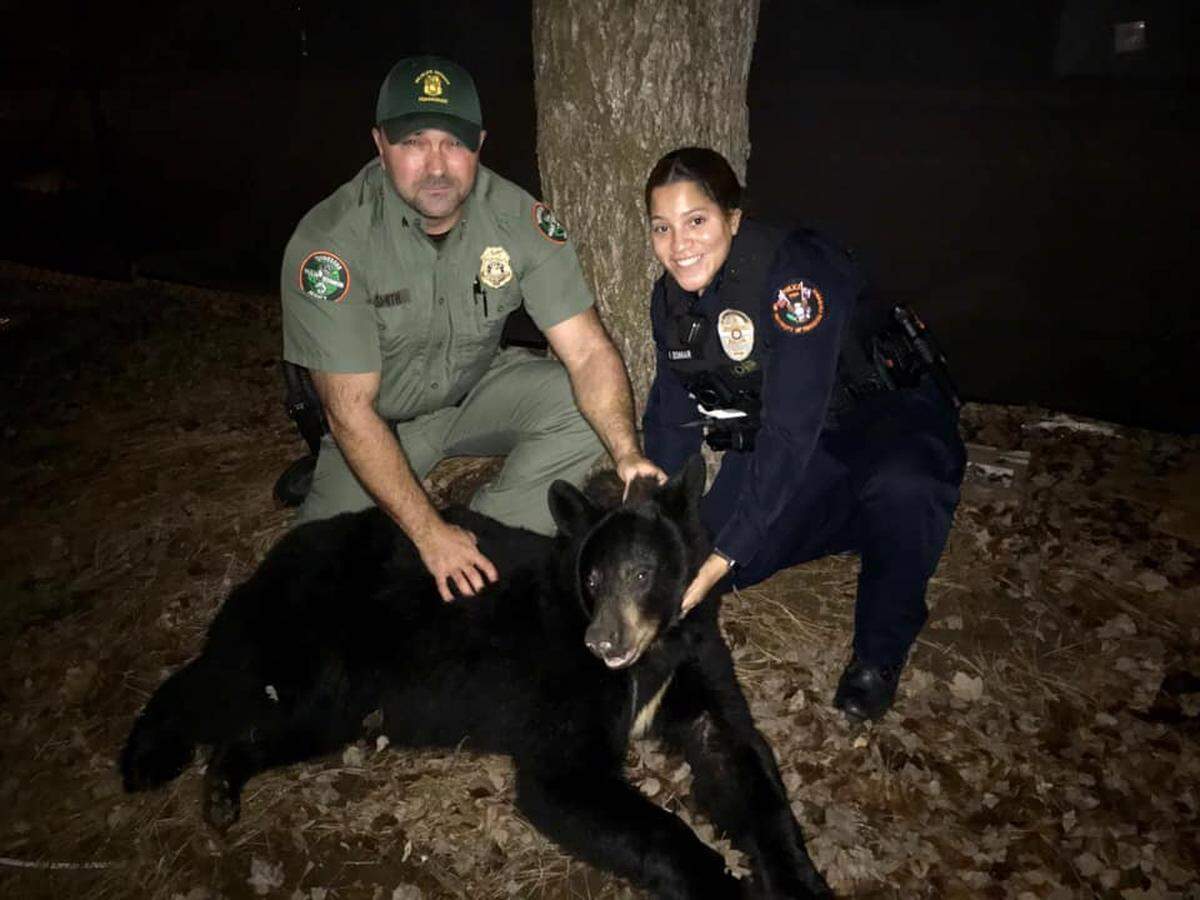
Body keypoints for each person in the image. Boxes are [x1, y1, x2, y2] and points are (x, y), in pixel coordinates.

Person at [280, 55, 662, 603]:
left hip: (474, 390)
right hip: (376, 422)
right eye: (414, 141)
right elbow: (349, 410)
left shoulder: (516, 218)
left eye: (454, 143)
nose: (437, 165)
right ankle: (409, 531)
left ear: (479, 144)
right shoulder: (330, 244)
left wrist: (626, 453)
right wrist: (429, 534)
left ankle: (488, 541)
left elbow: (587, 351)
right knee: (310, 581)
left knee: (582, 410)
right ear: (380, 144)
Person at [641, 147, 966, 722]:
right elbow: (670, 418)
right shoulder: (669, 301)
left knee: (903, 489)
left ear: (733, 219)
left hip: (886, 422)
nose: (679, 244)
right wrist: (656, 526)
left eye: (697, 221)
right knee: (717, 562)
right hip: (801, 445)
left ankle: (879, 652)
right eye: (662, 228)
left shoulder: (794, 280)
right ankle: (858, 522)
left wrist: (723, 555)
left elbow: (790, 432)